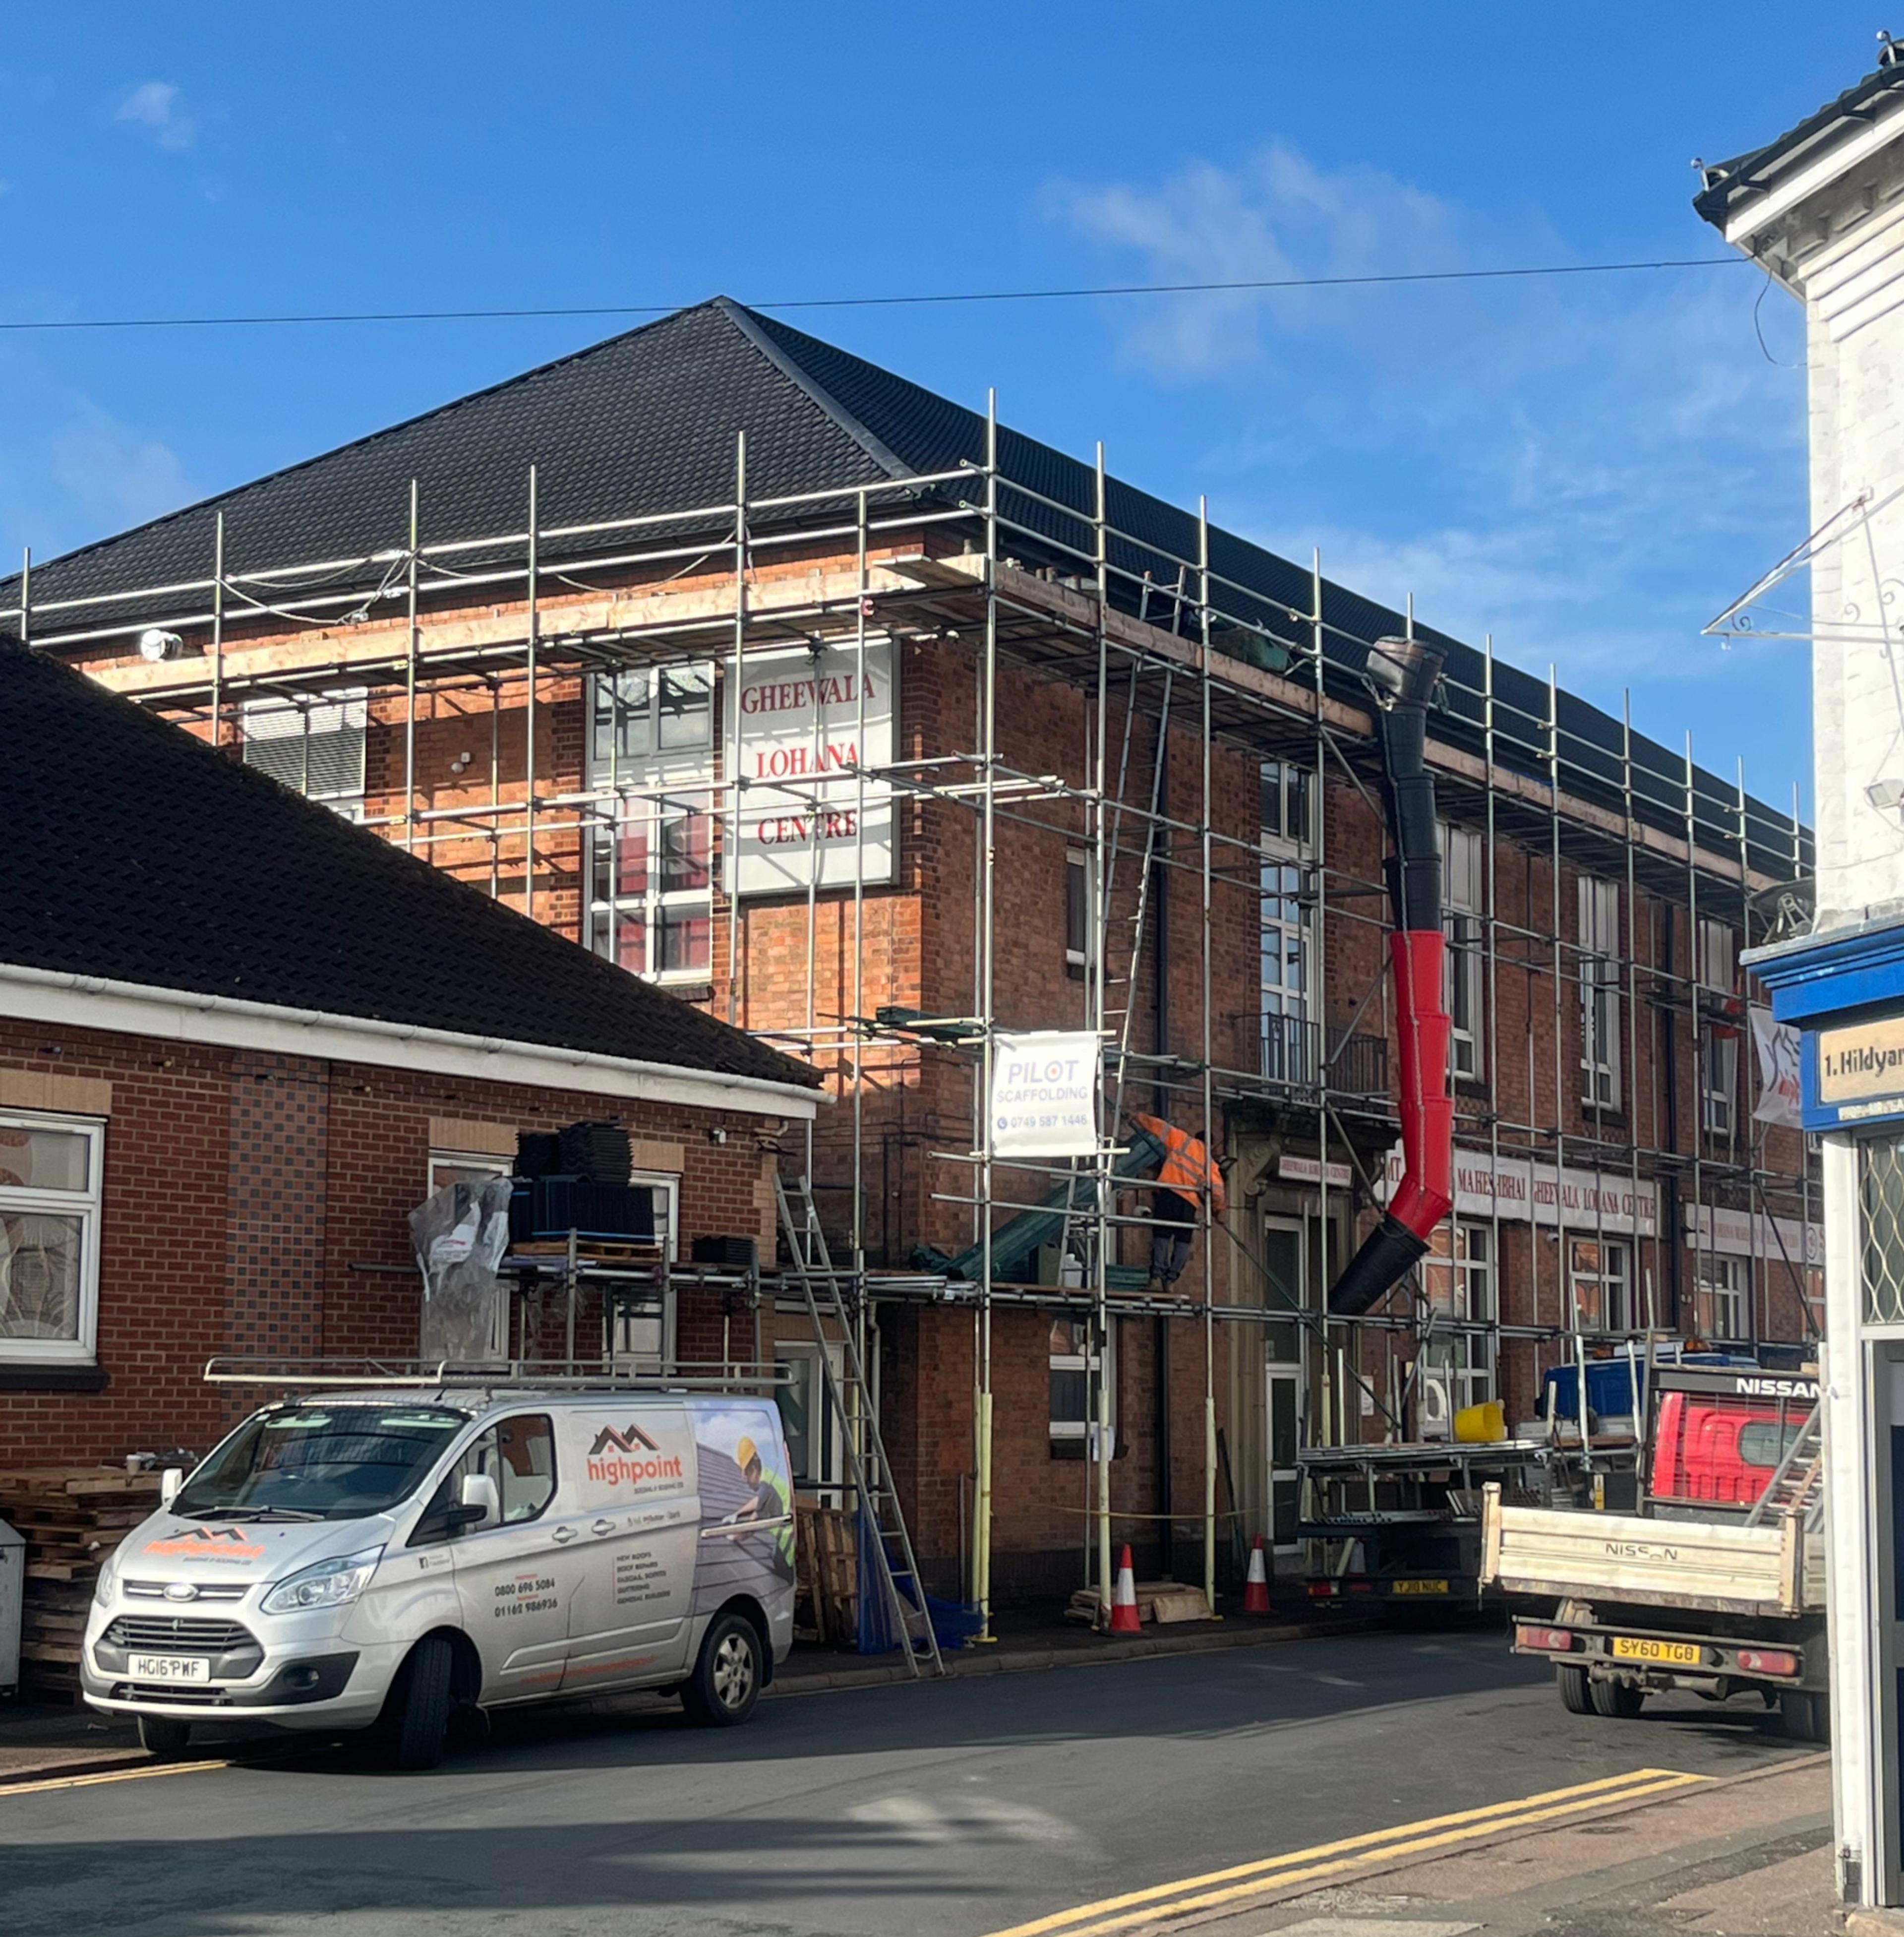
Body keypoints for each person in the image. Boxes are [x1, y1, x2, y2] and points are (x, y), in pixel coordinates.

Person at [1129, 1112, 1226, 1292]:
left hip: (1169, 1195)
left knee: (1162, 1236)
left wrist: (1138, 1117)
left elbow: (1159, 1126)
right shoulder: (1209, 1162)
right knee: (1183, 1241)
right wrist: (1218, 1209)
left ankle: (1157, 1277)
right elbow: (1218, 1191)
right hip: (1189, 1204)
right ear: (1210, 1145)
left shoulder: (1183, 1140)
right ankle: (1171, 1280)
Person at [727, 1433, 797, 1583]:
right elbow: (758, 1501)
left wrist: (730, 1537)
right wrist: (737, 1514)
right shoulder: (769, 1478)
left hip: (785, 1551)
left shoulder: (767, 1488)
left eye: (745, 1473)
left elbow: (751, 1528)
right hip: (787, 1540)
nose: (743, 1479)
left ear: (753, 1468)